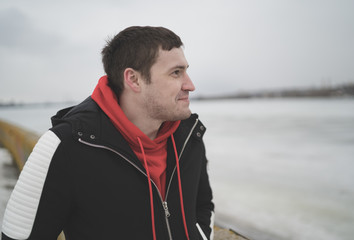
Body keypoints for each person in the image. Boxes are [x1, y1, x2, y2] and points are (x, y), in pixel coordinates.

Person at [1, 26, 215, 240]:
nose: (190, 85)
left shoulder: (189, 136)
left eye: (186, 71)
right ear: (133, 79)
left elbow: (203, 206)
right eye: (176, 73)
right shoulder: (66, 145)